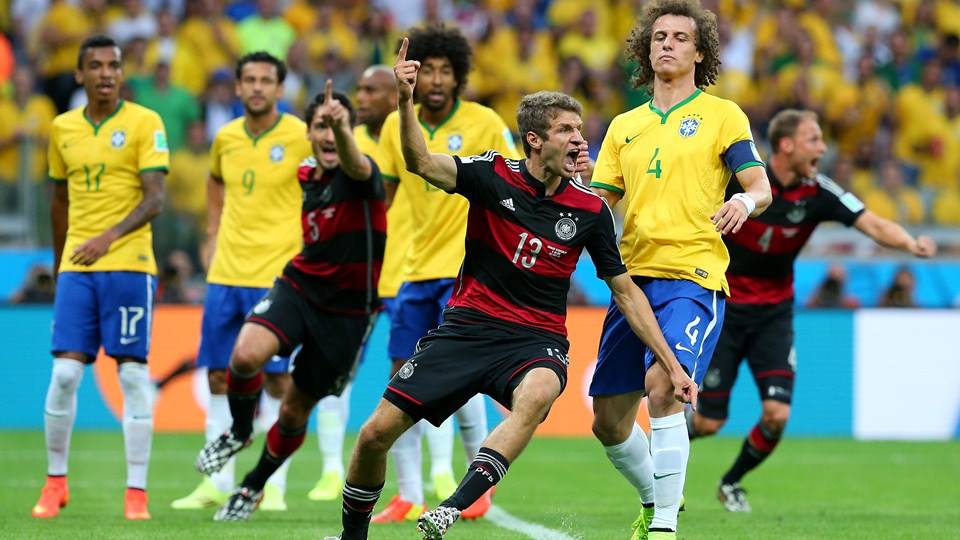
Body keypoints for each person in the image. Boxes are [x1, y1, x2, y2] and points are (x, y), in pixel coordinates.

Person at [326, 40, 696, 540]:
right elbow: (419, 161)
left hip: (535, 339)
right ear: (534, 140)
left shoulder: (590, 210)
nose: (578, 140)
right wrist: (405, 100)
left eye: (578, 129)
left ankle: (453, 506)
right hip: (467, 327)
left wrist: (671, 365)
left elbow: (627, 292)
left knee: (540, 392)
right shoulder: (491, 175)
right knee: (373, 436)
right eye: (565, 130)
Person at [586, 2, 774, 539]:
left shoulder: (722, 115)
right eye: (658, 36)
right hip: (633, 282)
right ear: (647, 49)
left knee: (665, 384)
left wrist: (744, 203)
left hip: (693, 277)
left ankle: (665, 527)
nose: (666, 43)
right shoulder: (625, 126)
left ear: (699, 52)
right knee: (607, 422)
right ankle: (657, 499)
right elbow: (600, 202)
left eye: (679, 37)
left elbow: (759, 186)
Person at [689, 109, 936, 511]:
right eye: (814, 139)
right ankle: (662, 446)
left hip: (773, 315)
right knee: (708, 423)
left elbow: (871, 224)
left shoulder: (819, 192)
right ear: (786, 145)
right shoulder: (739, 185)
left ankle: (731, 483)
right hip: (725, 310)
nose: (823, 148)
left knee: (776, 415)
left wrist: (910, 244)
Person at [195, 80, 386, 522]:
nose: (326, 134)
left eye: (336, 126)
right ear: (307, 132)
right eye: (319, 125)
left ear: (350, 131)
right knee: (243, 357)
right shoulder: (305, 174)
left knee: (296, 406)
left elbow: (356, 166)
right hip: (301, 286)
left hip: (348, 313)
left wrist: (342, 130)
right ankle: (240, 430)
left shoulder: (363, 174)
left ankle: (253, 485)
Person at [372, 24, 521, 523]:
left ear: (459, 76)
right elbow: (386, 200)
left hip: (469, 274)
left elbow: (515, 187)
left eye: (445, 71)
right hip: (414, 272)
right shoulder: (399, 125)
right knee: (400, 381)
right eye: (428, 69)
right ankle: (408, 492)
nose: (435, 79)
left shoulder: (484, 122)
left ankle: (476, 490)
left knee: (466, 381)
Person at [32, 34, 168, 520]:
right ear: (80, 75)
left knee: (132, 375)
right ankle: (54, 483)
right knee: (65, 373)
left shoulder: (145, 122)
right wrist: (60, 263)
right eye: (97, 65)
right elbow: (59, 201)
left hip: (128, 265)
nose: (107, 73)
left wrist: (106, 239)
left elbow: (155, 199)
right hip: (77, 268)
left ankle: (136, 492)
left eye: (114, 65)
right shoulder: (62, 127)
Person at [171, 51, 311, 512]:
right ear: (236, 87)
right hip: (226, 274)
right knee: (217, 375)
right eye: (248, 79)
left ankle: (273, 486)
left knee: (275, 383)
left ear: (279, 88)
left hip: (275, 276)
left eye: (265, 80)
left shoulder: (298, 135)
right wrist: (212, 232)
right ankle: (215, 482)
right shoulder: (226, 137)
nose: (256, 87)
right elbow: (214, 182)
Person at [308, 64, 399, 502]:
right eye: (358, 89)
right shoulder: (345, 144)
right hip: (358, 277)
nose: (360, 97)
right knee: (337, 373)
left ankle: (440, 474)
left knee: (419, 379)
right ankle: (329, 470)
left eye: (370, 90)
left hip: (411, 270)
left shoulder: (413, 136)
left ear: (393, 95)